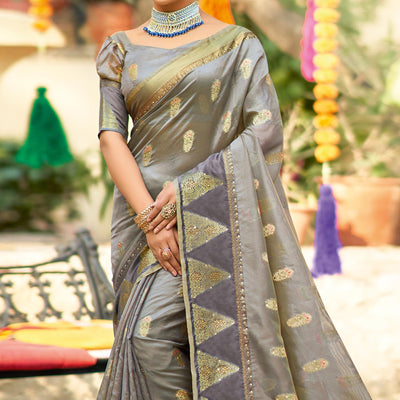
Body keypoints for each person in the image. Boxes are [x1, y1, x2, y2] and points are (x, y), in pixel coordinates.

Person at [96, 1, 371, 399]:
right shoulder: (120, 47)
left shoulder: (238, 44)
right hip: (143, 220)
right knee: (146, 342)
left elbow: (264, 129)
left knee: (156, 337)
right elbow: (110, 136)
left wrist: (190, 188)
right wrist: (150, 219)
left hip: (212, 215)